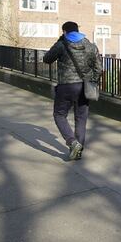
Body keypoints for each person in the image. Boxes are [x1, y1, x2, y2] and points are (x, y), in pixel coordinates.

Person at [43, 21, 103, 160]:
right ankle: (78, 151)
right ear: (78, 31)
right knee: (81, 118)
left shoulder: (61, 44)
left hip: (66, 86)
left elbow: (47, 59)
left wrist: (59, 41)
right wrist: (92, 81)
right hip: (84, 87)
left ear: (64, 32)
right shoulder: (90, 45)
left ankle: (72, 142)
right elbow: (98, 68)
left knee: (59, 114)